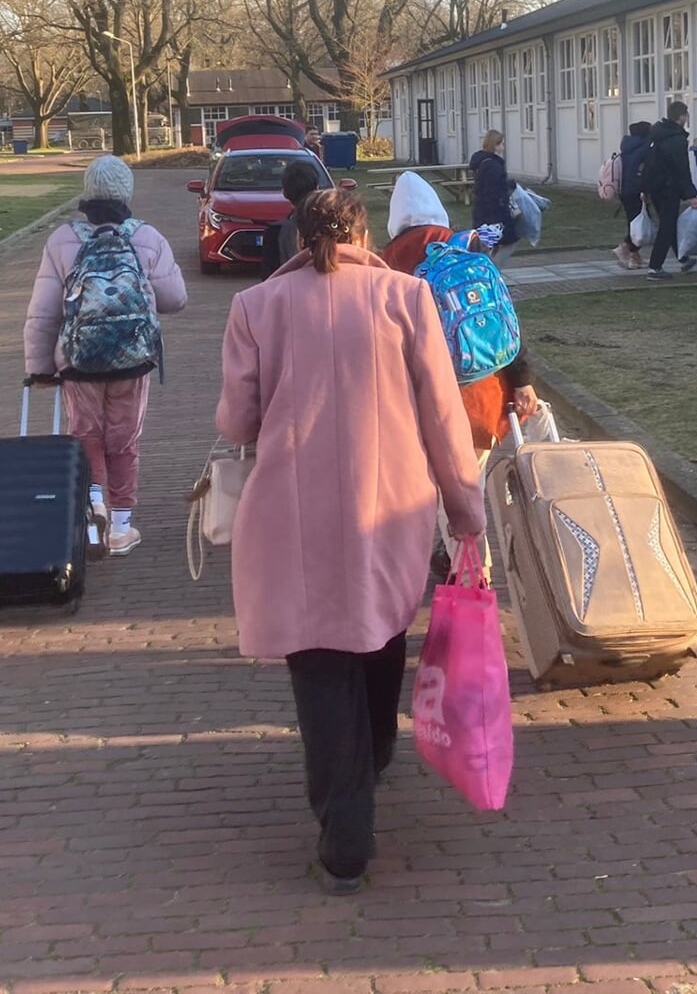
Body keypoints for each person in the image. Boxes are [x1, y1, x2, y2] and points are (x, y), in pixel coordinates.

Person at [217, 189, 484, 896]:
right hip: (390, 504)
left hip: (290, 509)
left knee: (317, 657)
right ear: (363, 230)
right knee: (378, 627)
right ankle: (377, 755)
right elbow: (443, 417)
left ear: (298, 240)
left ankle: (345, 831)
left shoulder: (255, 308)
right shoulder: (406, 299)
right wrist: (466, 512)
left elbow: (237, 423)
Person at [23, 155, 187, 555]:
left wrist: (40, 368)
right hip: (132, 359)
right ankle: (120, 527)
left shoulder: (62, 240)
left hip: (78, 363)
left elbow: (44, 311)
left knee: (86, 437)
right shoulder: (146, 237)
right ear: (126, 193)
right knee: (124, 440)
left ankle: (93, 503)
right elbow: (175, 299)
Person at [382, 172, 540, 576]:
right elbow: (504, 317)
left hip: (433, 401)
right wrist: (522, 380)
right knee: (468, 482)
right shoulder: (468, 247)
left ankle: (473, 577)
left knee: (451, 495)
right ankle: (454, 559)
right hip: (487, 393)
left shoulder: (390, 263)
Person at [641, 101, 697, 281]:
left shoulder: (656, 134)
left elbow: (648, 163)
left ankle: (683, 258)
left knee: (669, 224)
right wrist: (691, 195)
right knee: (666, 227)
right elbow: (681, 169)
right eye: (686, 115)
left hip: (656, 187)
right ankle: (655, 267)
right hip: (669, 188)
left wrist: (646, 189)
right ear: (681, 116)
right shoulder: (676, 139)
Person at [468, 129, 519, 265]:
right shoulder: (493, 165)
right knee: (508, 243)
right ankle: (492, 274)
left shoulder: (482, 162)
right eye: (501, 144)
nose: (503, 147)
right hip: (494, 216)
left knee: (486, 248)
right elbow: (494, 190)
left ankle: (488, 274)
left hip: (483, 214)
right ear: (495, 145)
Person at [612, 120, 653, 269]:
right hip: (637, 191)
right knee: (638, 225)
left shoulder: (628, 147)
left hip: (626, 190)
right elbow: (643, 172)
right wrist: (645, 191)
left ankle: (635, 255)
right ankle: (625, 249)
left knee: (635, 223)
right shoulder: (643, 149)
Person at [271, 158, 323, 271]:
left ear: (284, 193)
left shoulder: (275, 232)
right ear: (317, 189)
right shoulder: (332, 228)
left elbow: (268, 278)